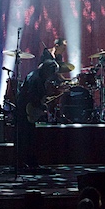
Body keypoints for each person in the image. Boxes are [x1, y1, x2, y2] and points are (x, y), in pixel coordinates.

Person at [17, 39, 64, 171]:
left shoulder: (36, 76)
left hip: (26, 110)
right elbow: (32, 96)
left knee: (28, 138)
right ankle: (26, 163)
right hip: (25, 111)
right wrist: (41, 106)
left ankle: (27, 163)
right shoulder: (36, 79)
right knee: (26, 138)